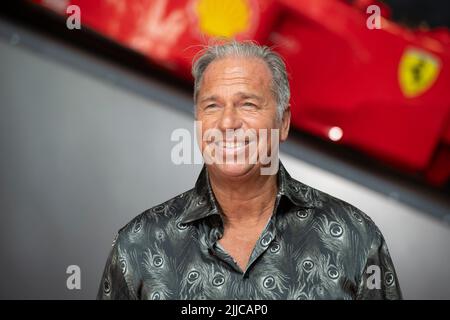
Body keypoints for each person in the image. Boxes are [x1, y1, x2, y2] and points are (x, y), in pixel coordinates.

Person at [97, 40, 402, 300]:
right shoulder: (139, 244)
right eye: (212, 106)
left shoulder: (354, 237)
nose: (228, 123)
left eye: (248, 105)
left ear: (283, 122)